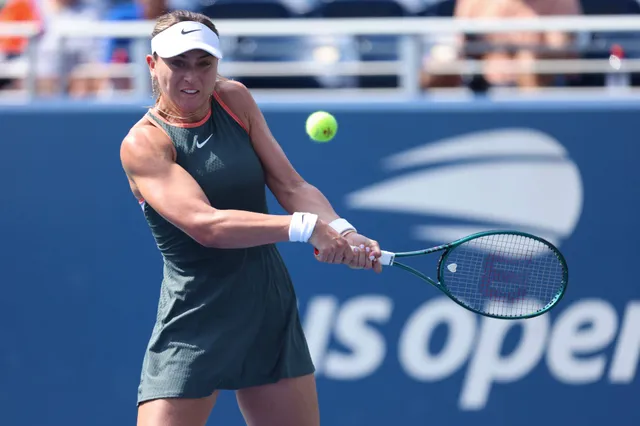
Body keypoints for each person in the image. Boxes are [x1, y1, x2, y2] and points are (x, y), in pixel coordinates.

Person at [119, 9, 383, 426]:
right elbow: (206, 225)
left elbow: (290, 186)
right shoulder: (143, 144)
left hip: (266, 305)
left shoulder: (234, 99)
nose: (192, 77)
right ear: (153, 65)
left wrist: (343, 230)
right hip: (196, 316)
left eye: (203, 63)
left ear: (217, 64)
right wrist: (303, 228)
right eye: (178, 63)